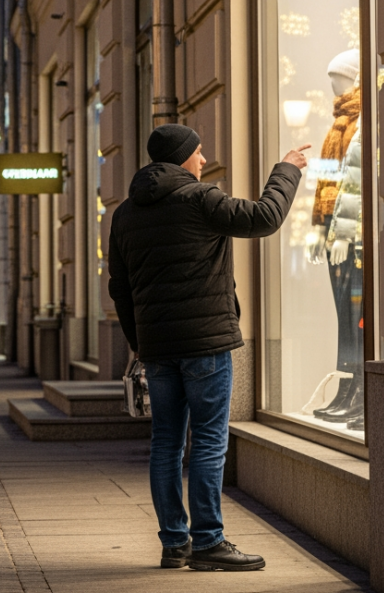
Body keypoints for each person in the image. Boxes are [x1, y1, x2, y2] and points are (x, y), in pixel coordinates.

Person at [108, 124, 307, 572]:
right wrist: (286, 170)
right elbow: (264, 217)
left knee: (165, 444)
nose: (203, 160)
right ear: (182, 158)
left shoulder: (124, 215)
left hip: (157, 349)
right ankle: (209, 542)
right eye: (198, 153)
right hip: (205, 345)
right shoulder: (200, 199)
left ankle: (174, 543)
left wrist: (139, 342)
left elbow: (119, 288)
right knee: (209, 442)